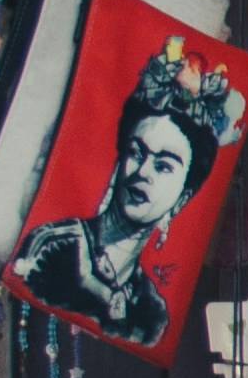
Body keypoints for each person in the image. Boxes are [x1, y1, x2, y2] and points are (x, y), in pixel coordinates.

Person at [12, 38, 232, 348]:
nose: (143, 172)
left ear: (182, 198)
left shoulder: (151, 311)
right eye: (135, 152)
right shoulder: (53, 249)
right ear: (119, 163)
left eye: (164, 166)